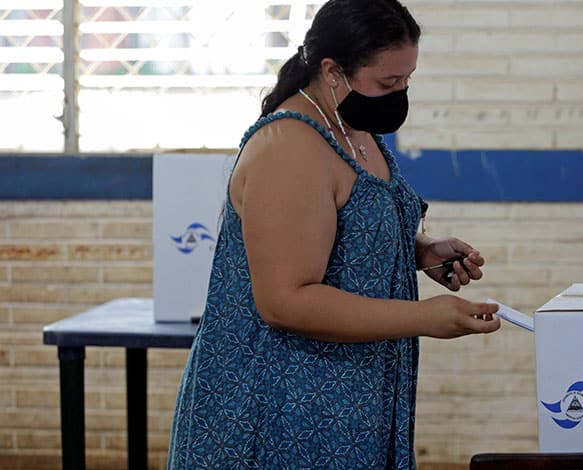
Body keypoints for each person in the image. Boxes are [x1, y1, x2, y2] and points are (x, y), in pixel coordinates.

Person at [167, 0, 501, 468]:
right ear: (332, 71)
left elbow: (338, 232)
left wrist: (416, 251)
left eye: (408, 79)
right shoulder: (289, 149)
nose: (400, 91)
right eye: (389, 82)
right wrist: (426, 317)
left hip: (345, 396)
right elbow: (285, 300)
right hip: (282, 406)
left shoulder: (351, 127)